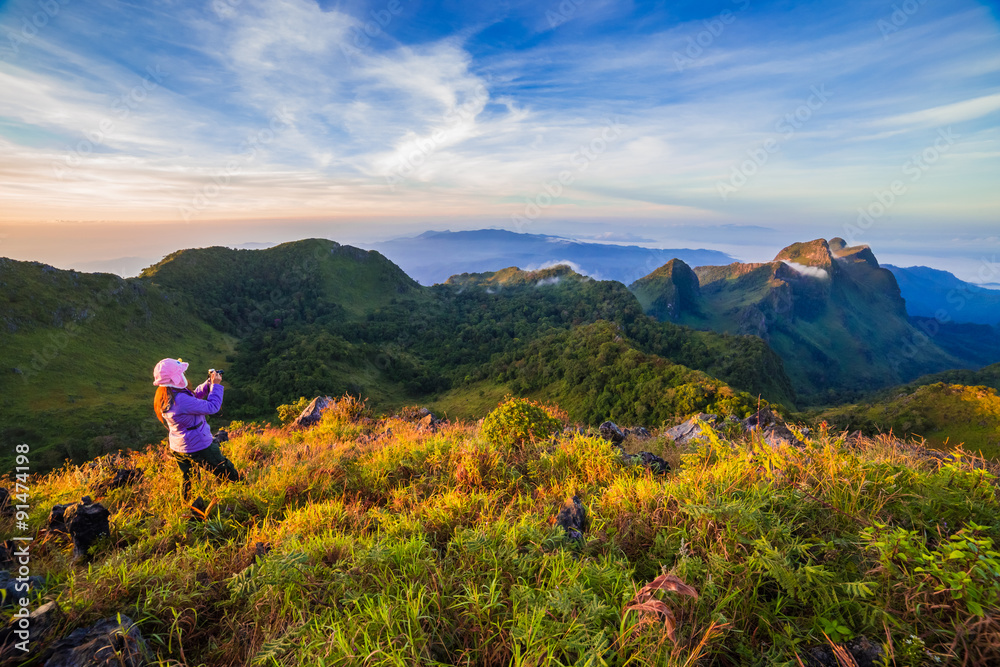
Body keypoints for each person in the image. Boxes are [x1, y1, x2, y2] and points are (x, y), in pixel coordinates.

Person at [153, 358, 241, 501]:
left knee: (189, 480)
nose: (184, 375)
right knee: (224, 469)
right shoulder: (180, 399)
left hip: (178, 447)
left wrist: (208, 384)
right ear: (176, 378)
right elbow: (212, 407)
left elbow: (193, 398)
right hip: (198, 445)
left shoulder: (166, 394)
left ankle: (190, 509)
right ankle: (241, 492)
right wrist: (216, 386)